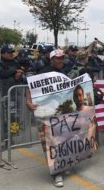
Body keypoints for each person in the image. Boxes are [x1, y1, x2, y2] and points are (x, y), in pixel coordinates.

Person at [26, 49, 67, 187]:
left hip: (60, 113)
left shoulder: (62, 72)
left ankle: (61, 165)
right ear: (51, 60)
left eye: (62, 58)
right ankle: (56, 173)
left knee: (60, 142)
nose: (60, 61)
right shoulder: (44, 71)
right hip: (46, 114)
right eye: (58, 58)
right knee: (50, 144)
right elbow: (29, 86)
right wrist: (28, 102)